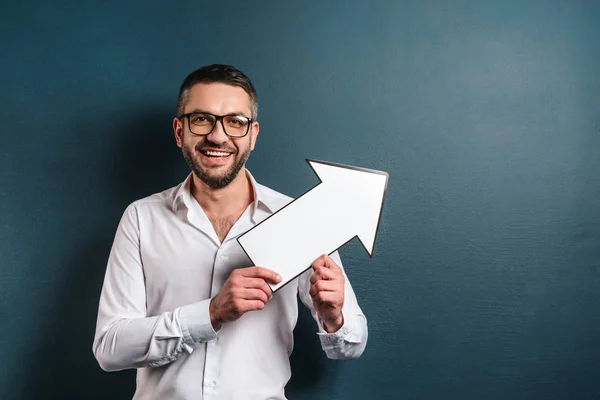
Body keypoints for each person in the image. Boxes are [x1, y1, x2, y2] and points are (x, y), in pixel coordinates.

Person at [93, 64, 368, 400]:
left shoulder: (299, 219)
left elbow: (351, 346)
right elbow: (110, 347)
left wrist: (333, 317)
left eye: (235, 122)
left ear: (253, 134)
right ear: (180, 131)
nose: (218, 136)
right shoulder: (141, 219)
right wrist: (211, 312)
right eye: (201, 119)